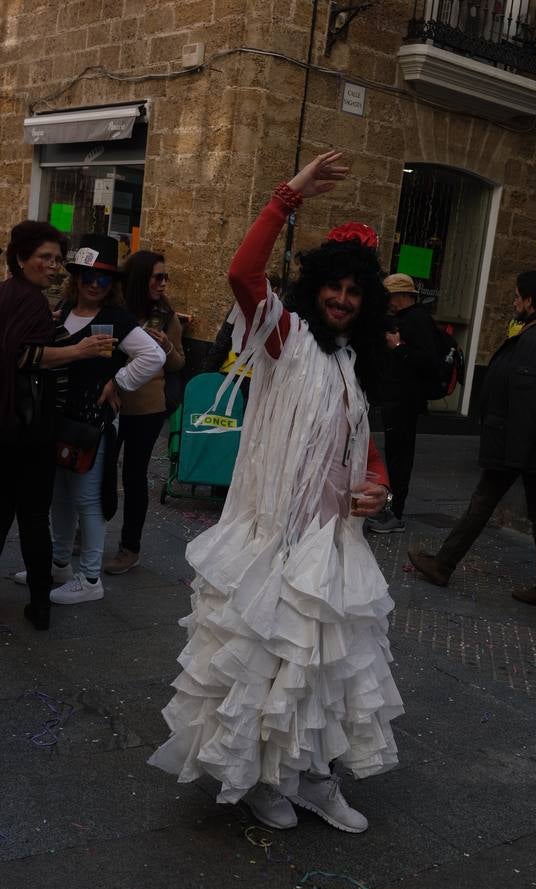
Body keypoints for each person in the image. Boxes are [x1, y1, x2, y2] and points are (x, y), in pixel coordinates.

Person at [149, 151, 404, 834]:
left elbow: (364, 447)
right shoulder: (282, 338)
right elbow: (242, 272)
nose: (343, 301)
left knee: (325, 675)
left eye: (355, 294)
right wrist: (289, 195)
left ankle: (316, 780)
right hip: (273, 540)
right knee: (264, 672)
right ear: (315, 287)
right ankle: (263, 779)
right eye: (334, 288)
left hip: (333, 549)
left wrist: (377, 486)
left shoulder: (352, 365)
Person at [409, 270, 536, 613]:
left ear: (531, 301)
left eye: (519, 296)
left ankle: (443, 565)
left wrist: (513, 454)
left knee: (482, 502)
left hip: (519, 446)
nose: (514, 301)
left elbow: (527, 402)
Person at [31, 235, 165, 606]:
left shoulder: (116, 319)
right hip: (57, 418)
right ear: (76, 277)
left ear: (113, 284)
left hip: (91, 423)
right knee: (59, 494)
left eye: (102, 278)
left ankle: (90, 578)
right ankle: (58, 564)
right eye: (87, 275)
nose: (93, 283)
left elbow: (153, 356)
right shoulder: (63, 308)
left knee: (87, 499)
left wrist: (118, 381)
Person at [1, 221, 113, 629]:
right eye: (43, 257)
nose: (51, 266)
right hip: (29, 428)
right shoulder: (28, 300)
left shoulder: (13, 295)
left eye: (55, 259)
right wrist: (80, 349)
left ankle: (40, 601)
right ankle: (40, 605)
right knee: (32, 516)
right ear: (20, 258)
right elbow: (23, 357)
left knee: (7, 512)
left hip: (10, 425)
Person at [104, 251, 185, 575]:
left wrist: (165, 345)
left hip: (148, 407)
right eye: (157, 277)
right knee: (100, 469)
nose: (163, 284)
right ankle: (86, 532)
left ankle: (129, 548)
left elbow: (179, 363)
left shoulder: (166, 316)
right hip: (111, 401)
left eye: (166, 277)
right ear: (139, 278)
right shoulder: (116, 310)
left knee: (134, 476)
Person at [367, 273, 438, 534]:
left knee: (400, 457)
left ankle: (395, 513)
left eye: (391, 297)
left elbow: (426, 360)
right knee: (395, 453)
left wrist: (398, 347)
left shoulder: (417, 320)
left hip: (405, 399)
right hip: (395, 396)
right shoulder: (404, 318)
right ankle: (390, 509)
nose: (389, 303)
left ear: (404, 296)